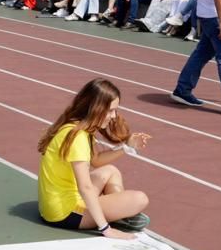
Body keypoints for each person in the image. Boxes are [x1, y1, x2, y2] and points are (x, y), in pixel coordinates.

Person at [37, 78, 152, 234]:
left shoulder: (76, 128)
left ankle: (120, 214)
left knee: (111, 171)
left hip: (54, 205)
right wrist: (105, 228)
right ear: (96, 108)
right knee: (139, 199)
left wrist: (126, 147)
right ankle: (118, 215)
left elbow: (96, 161)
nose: (114, 116)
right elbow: (85, 187)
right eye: (111, 110)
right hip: (64, 213)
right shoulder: (77, 137)